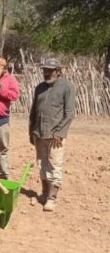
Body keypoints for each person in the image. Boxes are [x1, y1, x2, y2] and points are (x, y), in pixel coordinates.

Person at [29, 58, 75, 212]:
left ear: (58, 71)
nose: (47, 73)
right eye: (45, 70)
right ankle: (44, 193)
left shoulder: (67, 87)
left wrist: (60, 133)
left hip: (55, 136)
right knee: (42, 164)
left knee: (55, 165)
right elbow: (33, 111)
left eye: (50, 70)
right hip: (39, 134)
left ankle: (52, 199)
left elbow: (69, 113)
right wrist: (31, 131)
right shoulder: (39, 88)